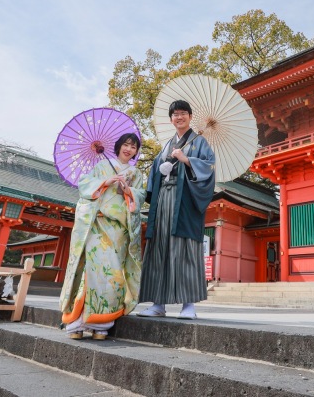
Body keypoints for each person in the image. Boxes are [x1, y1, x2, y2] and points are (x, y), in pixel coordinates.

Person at [59, 132, 146, 340]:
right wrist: (106, 181)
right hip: (98, 224)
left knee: (113, 273)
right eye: (126, 144)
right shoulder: (101, 167)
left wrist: (128, 191)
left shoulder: (136, 173)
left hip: (119, 229)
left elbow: (141, 197)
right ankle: (78, 322)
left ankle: (102, 324)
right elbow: (85, 187)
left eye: (133, 147)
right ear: (118, 146)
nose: (129, 149)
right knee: (93, 269)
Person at [138, 100, 216, 320]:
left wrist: (187, 160)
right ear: (171, 118)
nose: (179, 117)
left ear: (190, 116)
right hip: (163, 200)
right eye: (175, 114)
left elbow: (209, 167)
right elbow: (156, 171)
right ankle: (158, 303)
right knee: (160, 247)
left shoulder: (199, 141)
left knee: (184, 249)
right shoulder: (166, 145)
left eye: (183, 113)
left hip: (184, 202)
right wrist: (161, 168)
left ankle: (188, 305)